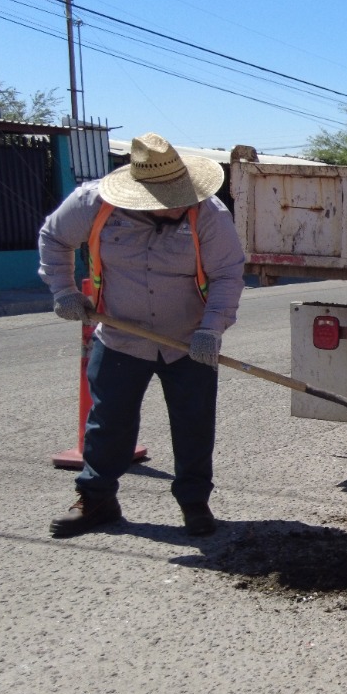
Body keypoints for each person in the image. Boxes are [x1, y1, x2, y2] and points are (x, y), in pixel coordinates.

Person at [38, 133, 246, 538]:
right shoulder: (93, 204)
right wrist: (62, 290)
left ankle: (194, 503)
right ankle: (97, 501)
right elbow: (54, 237)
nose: (179, 205)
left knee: (194, 425)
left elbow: (227, 275)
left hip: (189, 342)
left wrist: (211, 329)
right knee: (108, 424)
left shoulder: (208, 214)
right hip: (119, 337)